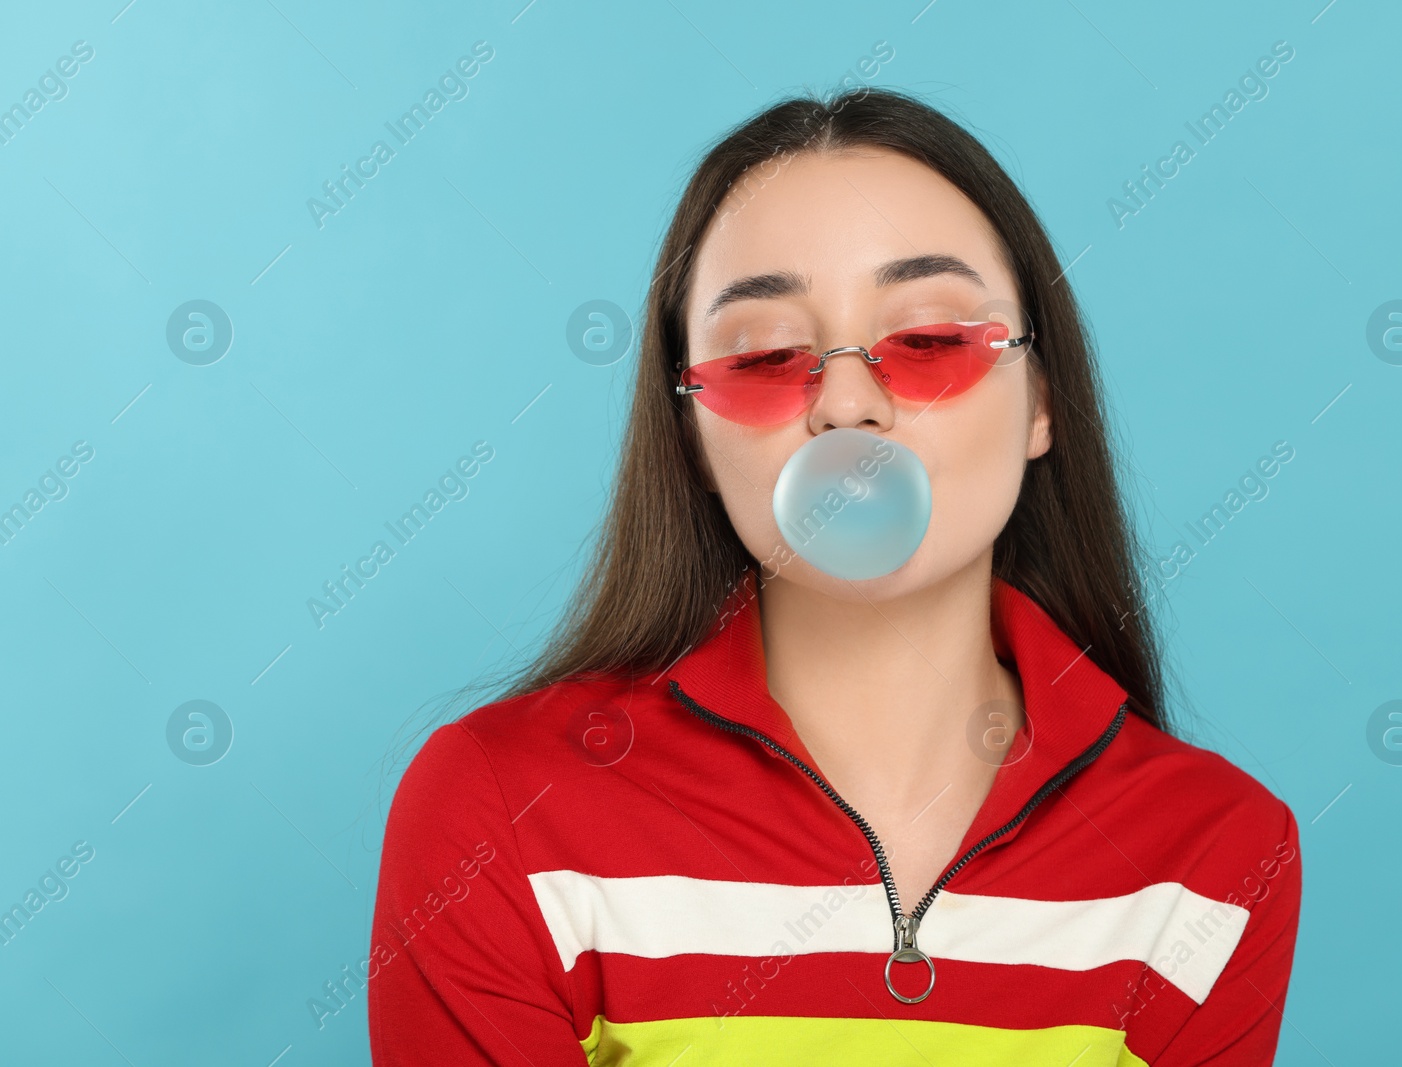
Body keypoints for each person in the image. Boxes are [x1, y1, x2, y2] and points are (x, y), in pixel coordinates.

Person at [368, 86, 1301, 1066]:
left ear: (1039, 403)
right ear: (688, 437)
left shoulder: (1212, 855)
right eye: (768, 353)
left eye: (931, 339)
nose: (846, 404)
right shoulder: (498, 812)